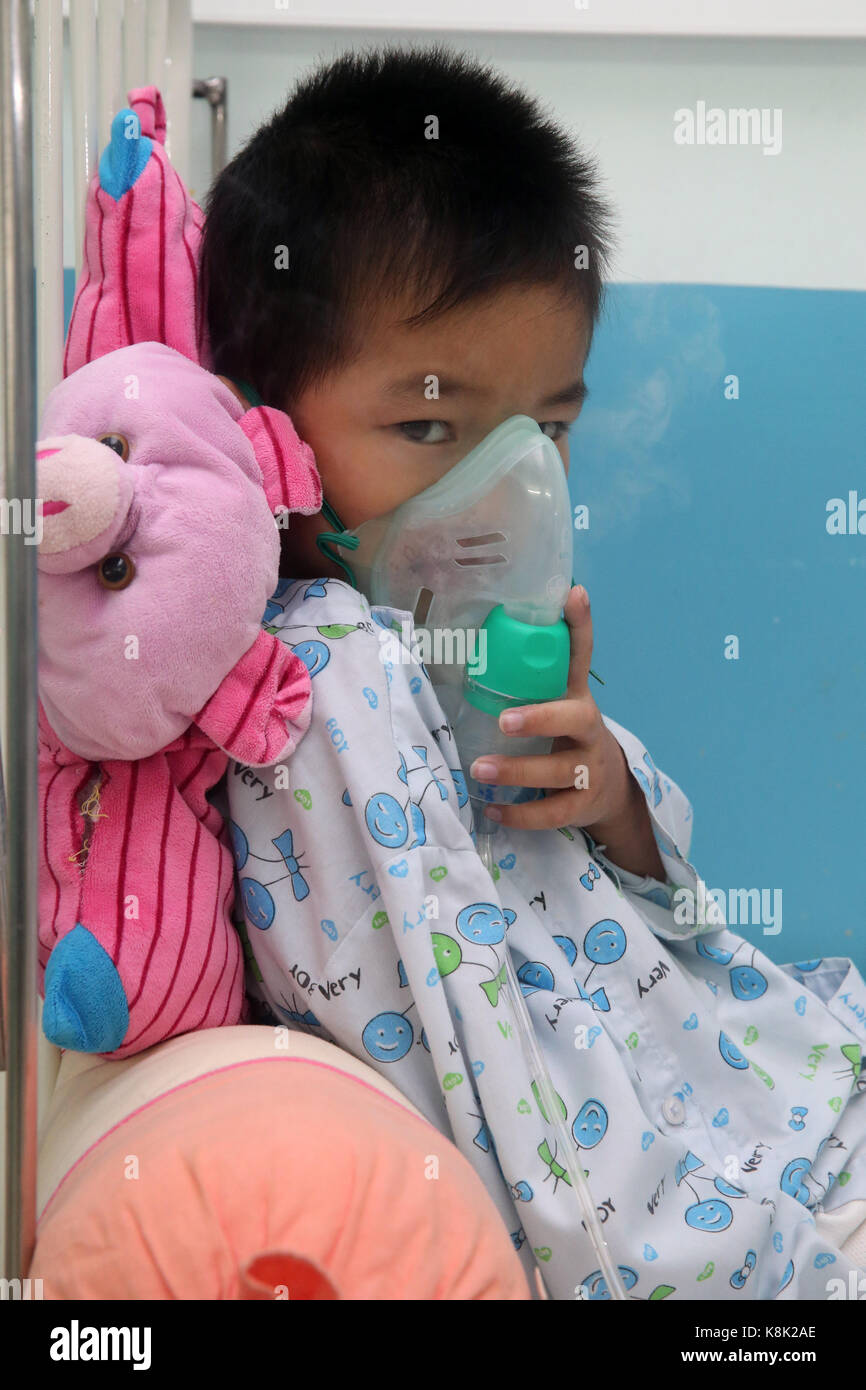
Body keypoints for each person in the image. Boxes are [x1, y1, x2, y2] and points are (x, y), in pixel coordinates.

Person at [201, 45, 866, 1300]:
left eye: (546, 429)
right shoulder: (313, 682)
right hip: (680, 1196)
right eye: (428, 426)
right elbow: (461, 1064)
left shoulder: (472, 650)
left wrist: (608, 789)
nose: (509, 489)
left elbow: (656, 915)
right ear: (265, 432)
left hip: (752, 1083)